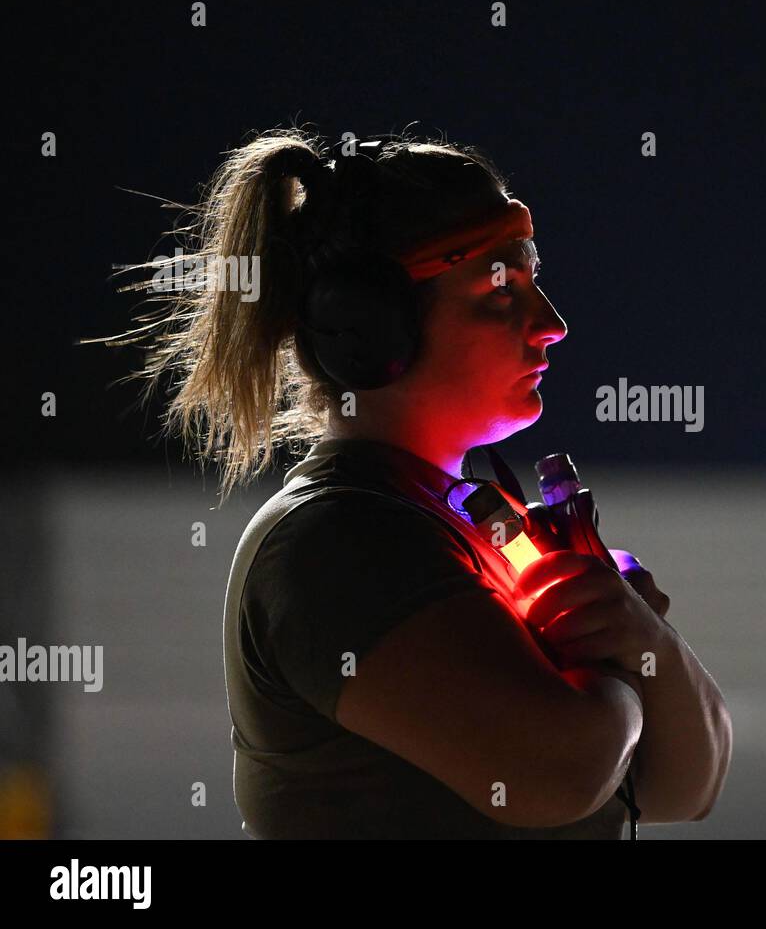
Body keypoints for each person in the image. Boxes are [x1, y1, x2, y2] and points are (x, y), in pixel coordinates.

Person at [92, 127, 732, 838]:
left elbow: (684, 790)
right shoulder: (336, 541)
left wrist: (646, 639)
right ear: (371, 327)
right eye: (500, 290)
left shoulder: (458, 525)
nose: (552, 324)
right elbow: (558, 772)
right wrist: (612, 666)